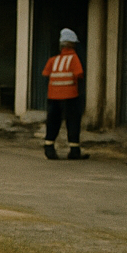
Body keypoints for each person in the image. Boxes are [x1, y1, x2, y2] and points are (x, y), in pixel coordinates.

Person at [41, 28, 87, 160]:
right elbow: (79, 74)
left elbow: (45, 74)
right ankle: (74, 150)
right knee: (72, 122)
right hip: (70, 96)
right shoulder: (74, 59)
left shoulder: (52, 60)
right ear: (72, 44)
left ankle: (49, 147)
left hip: (53, 97)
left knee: (52, 122)